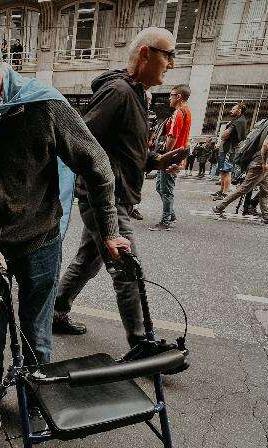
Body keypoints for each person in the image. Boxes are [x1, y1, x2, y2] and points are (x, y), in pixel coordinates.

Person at [0, 15, 131, 434]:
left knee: (36, 331)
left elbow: (98, 165)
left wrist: (111, 231)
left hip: (42, 240)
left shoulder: (42, 104)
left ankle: (36, 394)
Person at [52, 27, 185, 339]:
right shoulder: (119, 92)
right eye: (168, 55)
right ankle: (141, 341)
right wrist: (96, 189)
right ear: (144, 53)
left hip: (116, 195)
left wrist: (156, 160)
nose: (172, 63)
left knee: (88, 260)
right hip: (105, 199)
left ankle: (56, 311)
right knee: (128, 269)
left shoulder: (138, 94)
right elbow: (82, 140)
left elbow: (124, 148)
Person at [212, 98, 268, 226]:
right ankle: (219, 207)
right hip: (262, 161)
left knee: (266, 190)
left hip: (264, 161)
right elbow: (267, 143)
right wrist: (264, 163)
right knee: (245, 188)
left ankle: (267, 216)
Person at [150, 84, 191, 231]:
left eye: (171, 95)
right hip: (177, 154)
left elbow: (172, 137)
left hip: (171, 155)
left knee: (166, 189)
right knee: (160, 187)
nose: (169, 99)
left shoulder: (178, 113)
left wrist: (163, 154)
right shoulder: (187, 112)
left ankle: (166, 221)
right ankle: (170, 214)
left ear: (178, 96)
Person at [213, 103, 247, 199]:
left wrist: (222, 134)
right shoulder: (237, 120)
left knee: (226, 171)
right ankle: (221, 190)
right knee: (223, 171)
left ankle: (224, 193)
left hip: (230, 149)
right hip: (226, 148)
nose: (231, 111)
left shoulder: (239, 121)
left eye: (233, 109)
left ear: (239, 110)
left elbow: (224, 135)